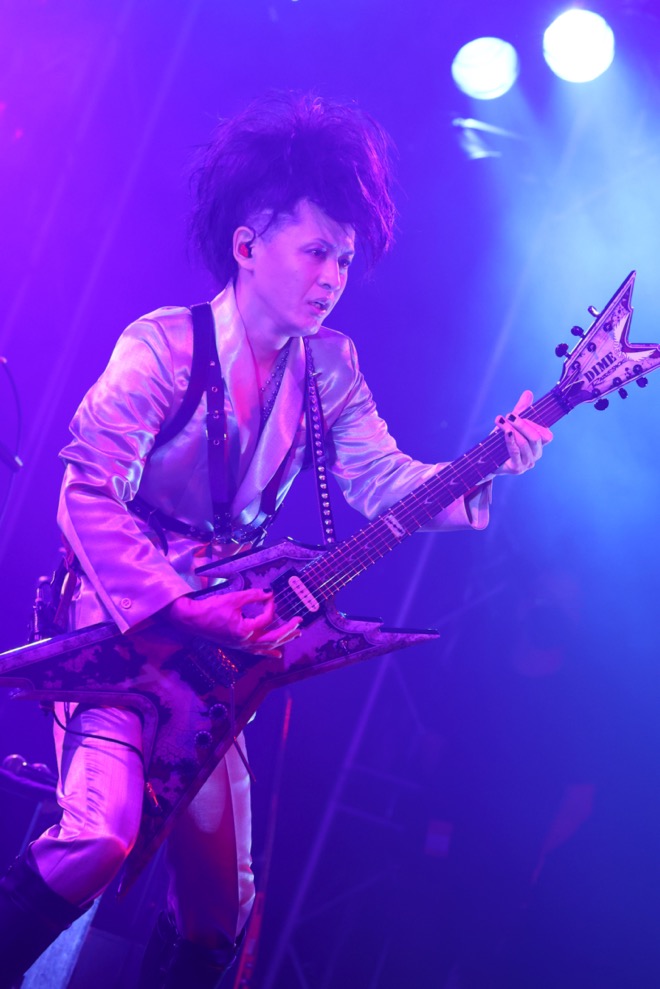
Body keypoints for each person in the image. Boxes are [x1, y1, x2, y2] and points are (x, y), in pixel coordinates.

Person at [0, 92, 552, 988]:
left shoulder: (330, 364)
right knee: (97, 836)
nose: (332, 276)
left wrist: (492, 460)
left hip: (218, 660)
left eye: (345, 258)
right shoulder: (164, 346)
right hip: (120, 628)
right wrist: (181, 607)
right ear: (248, 245)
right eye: (316, 251)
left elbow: (383, 481)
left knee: (223, 911)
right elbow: (87, 490)